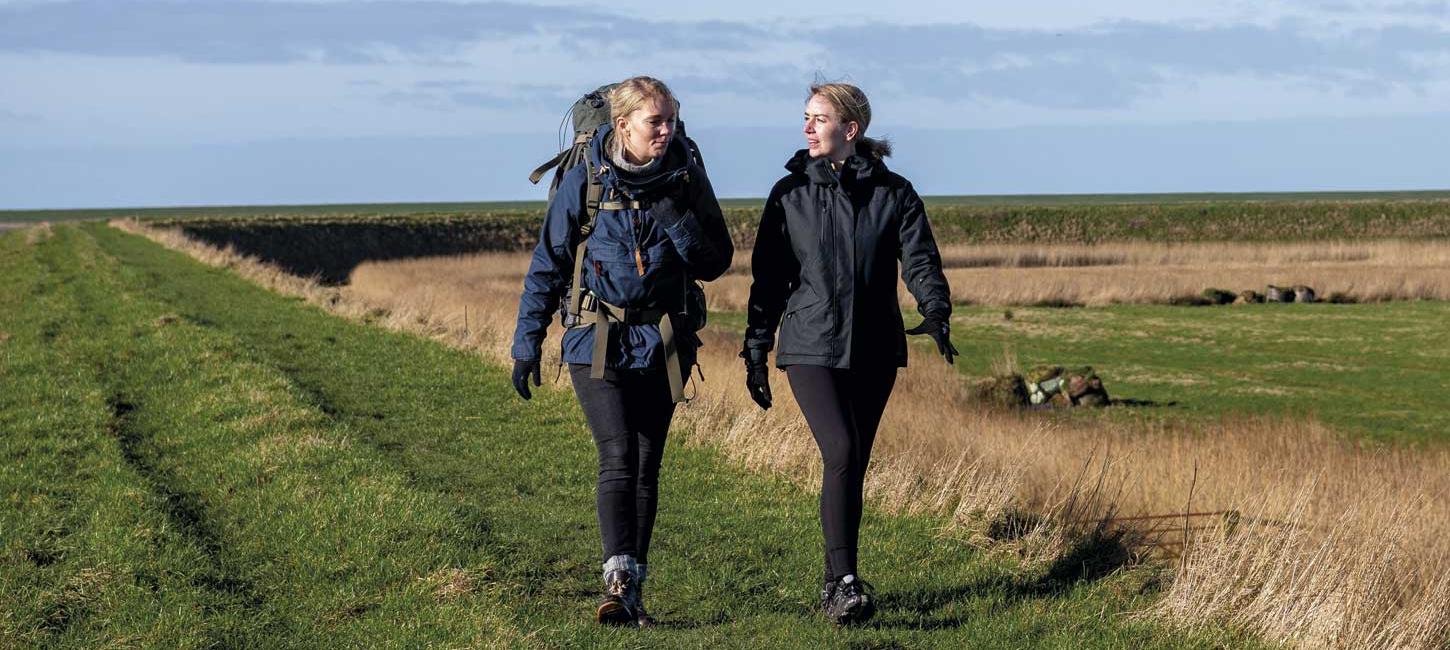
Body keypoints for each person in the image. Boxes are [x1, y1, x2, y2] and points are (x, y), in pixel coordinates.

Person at [510, 76, 733, 627]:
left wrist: (672, 216)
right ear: (623, 122)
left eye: (671, 120)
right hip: (595, 339)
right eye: (656, 121)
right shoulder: (585, 178)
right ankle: (617, 577)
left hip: (662, 343)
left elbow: (715, 260)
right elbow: (549, 263)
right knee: (618, 456)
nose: (667, 130)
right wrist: (527, 345)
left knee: (647, 465)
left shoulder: (686, 178)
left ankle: (631, 588)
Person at [741, 82, 956, 625]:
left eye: (819, 118)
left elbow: (921, 259)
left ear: (851, 130)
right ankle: (843, 583)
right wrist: (755, 348)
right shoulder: (788, 194)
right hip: (811, 346)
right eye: (806, 117)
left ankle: (836, 578)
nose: (808, 127)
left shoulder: (896, 193)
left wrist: (935, 311)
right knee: (839, 449)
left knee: (852, 461)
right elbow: (768, 280)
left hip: (876, 347)